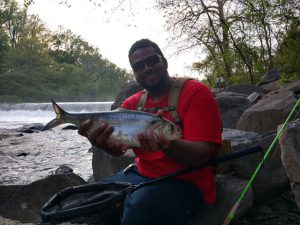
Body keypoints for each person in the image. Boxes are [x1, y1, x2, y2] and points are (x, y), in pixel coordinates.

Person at [78, 39, 222, 225]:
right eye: (139, 66)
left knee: (138, 205)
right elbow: (119, 148)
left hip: (188, 183)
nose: (146, 68)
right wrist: (104, 144)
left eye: (153, 60)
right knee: (89, 198)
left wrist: (169, 145)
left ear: (164, 61)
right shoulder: (132, 104)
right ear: (135, 75)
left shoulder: (196, 93)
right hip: (142, 175)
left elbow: (203, 154)